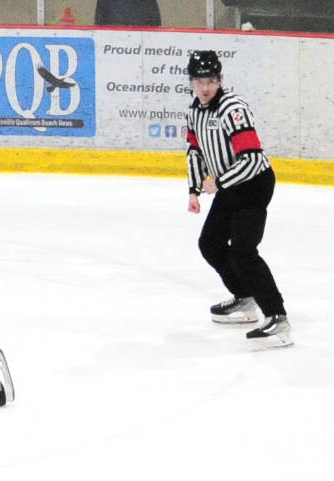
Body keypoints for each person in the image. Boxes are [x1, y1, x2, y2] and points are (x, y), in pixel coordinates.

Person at [184, 49, 291, 348]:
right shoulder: (194, 111)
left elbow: (253, 159)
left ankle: (278, 318)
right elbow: (195, 151)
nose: (206, 86)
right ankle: (245, 299)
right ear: (191, 82)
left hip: (255, 185)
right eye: (200, 80)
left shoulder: (233, 109)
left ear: (220, 80)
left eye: (212, 79)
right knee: (210, 244)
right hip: (229, 186)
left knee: (244, 251)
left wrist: (217, 183)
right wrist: (194, 189)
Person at [95, 0, 161, 26]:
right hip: (112, 46)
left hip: (141, 48)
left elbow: (156, 30)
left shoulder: (149, 2)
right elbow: (98, 30)